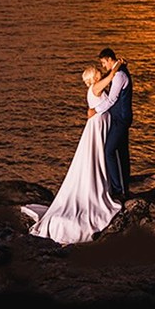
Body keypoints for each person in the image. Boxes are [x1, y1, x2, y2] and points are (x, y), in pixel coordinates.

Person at [20, 60, 125, 245]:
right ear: (94, 76)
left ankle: (106, 186)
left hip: (99, 126)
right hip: (97, 128)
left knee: (98, 159)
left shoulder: (94, 89)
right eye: (97, 72)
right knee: (96, 159)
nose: (100, 72)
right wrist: (118, 65)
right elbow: (110, 78)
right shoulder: (95, 87)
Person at [90, 47, 133, 202]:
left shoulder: (120, 76)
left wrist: (95, 110)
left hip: (121, 118)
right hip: (119, 117)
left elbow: (112, 99)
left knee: (109, 151)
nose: (103, 66)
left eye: (103, 63)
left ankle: (119, 190)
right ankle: (123, 188)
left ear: (109, 59)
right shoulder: (117, 71)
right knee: (121, 152)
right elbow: (111, 74)